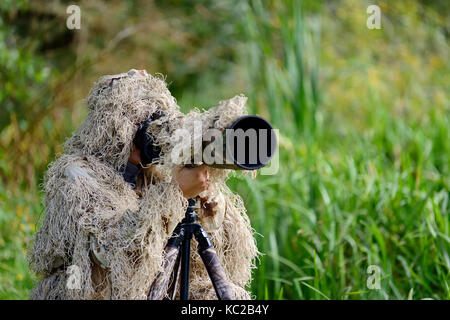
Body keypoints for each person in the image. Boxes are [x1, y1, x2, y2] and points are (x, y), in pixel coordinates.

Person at [28, 69, 258, 299]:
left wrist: (207, 203)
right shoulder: (78, 174)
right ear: (108, 126)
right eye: (133, 121)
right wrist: (175, 193)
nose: (145, 133)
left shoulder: (155, 175)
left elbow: (216, 259)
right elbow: (114, 255)